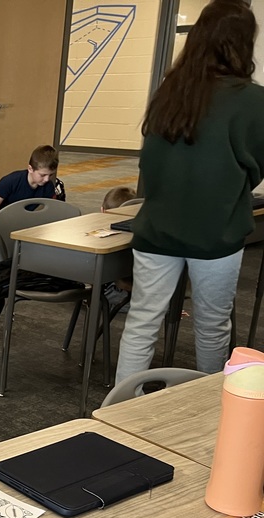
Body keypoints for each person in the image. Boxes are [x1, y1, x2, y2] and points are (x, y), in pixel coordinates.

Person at [115, 0, 264, 385]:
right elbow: (257, 168)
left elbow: (149, 163)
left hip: (156, 228)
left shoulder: (170, 91)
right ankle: (205, 415)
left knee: (142, 322)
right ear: (243, 43)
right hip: (216, 232)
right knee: (212, 327)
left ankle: (120, 410)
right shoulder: (253, 100)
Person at [0, 144, 67, 259]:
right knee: (2, 257)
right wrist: (6, 225)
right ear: (30, 169)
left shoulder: (48, 187)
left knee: (25, 256)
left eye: (50, 175)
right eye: (42, 175)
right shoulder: (10, 181)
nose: (47, 179)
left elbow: (47, 213)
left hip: (21, 222)